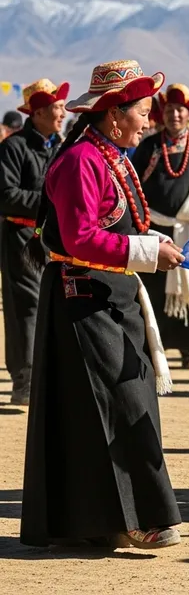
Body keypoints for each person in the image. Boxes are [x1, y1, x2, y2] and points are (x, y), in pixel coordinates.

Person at [20, 59, 184, 549]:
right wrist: (148, 252)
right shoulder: (79, 162)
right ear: (115, 115)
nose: (150, 121)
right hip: (82, 296)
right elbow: (79, 237)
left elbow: (121, 226)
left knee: (116, 403)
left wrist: (154, 243)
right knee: (117, 402)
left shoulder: (113, 158)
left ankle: (99, 520)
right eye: (144, 111)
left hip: (114, 294)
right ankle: (139, 518)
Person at [132, 84, 189, 369]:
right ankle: (154, 347)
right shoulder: (148, 145)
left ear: (188, 114)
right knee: (154, 290)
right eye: (170, 109)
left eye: (180, 109)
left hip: (187, 228)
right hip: (155, 228)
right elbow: (134, 183)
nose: (174, 114)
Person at [0, 79, 68, 405]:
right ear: (38, 112)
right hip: (22, 238)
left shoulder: (63, 147)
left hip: (55, 238)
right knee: (27, 308)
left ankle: (48, 376)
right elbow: (6, 195)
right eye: (57, 108)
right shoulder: (13, 148)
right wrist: (50, 201)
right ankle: (24, 379)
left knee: (54, 303)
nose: (63, 113)